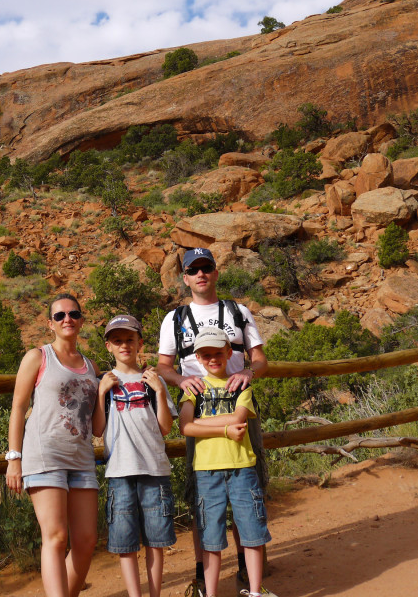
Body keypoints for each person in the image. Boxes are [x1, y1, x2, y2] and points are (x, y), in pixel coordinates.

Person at [156, 246, 269, 593]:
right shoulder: (174, 319)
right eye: (194, 270)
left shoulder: (238, 312)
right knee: (204, 494)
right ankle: (204, 576)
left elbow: (260, 359)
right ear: (185, 278)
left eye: (206, 268)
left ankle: (249, 573)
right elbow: (163, 366)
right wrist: (180, 380)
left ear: (216, 273)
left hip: (239, 406)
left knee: (248, 488)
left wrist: (249, 372)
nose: (201, 274)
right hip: (199, 410)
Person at [6, 293, 100, 597]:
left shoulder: (91, 366)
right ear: (50, 324)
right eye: (59, 315)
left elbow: (96, 419)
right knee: (56, 537)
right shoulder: (38, 357)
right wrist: (14, 458)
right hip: (45, 455)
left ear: (81, 320)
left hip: (82, 458)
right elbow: (18, 407)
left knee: (86, 541)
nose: (67, 319)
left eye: (73, 314)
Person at [178, 328, 275, 597]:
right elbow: (185, 426)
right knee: (210, 538)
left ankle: (255, 591)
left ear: (228, 353)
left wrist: (201, 423)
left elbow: (238, 419)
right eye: (206, 354)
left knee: (251, 531)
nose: (213, 359)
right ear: (198, 358)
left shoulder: (241, 385)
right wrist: (224, 430)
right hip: (207, 470)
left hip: (241, 466)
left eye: (218, 353)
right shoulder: (194, 389)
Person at [92, 314, 178, 597]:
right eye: (117, 341)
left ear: (140, 343)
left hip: (154, 468)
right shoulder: (104, 383)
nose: (124, 345)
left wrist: (159, 391)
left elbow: (165, 427)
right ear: (108, 346)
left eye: (129, 339)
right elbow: (97, 428)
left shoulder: (153, 380)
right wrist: (101, 393)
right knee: (125, 543)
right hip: (119, 470)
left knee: (156, 540)